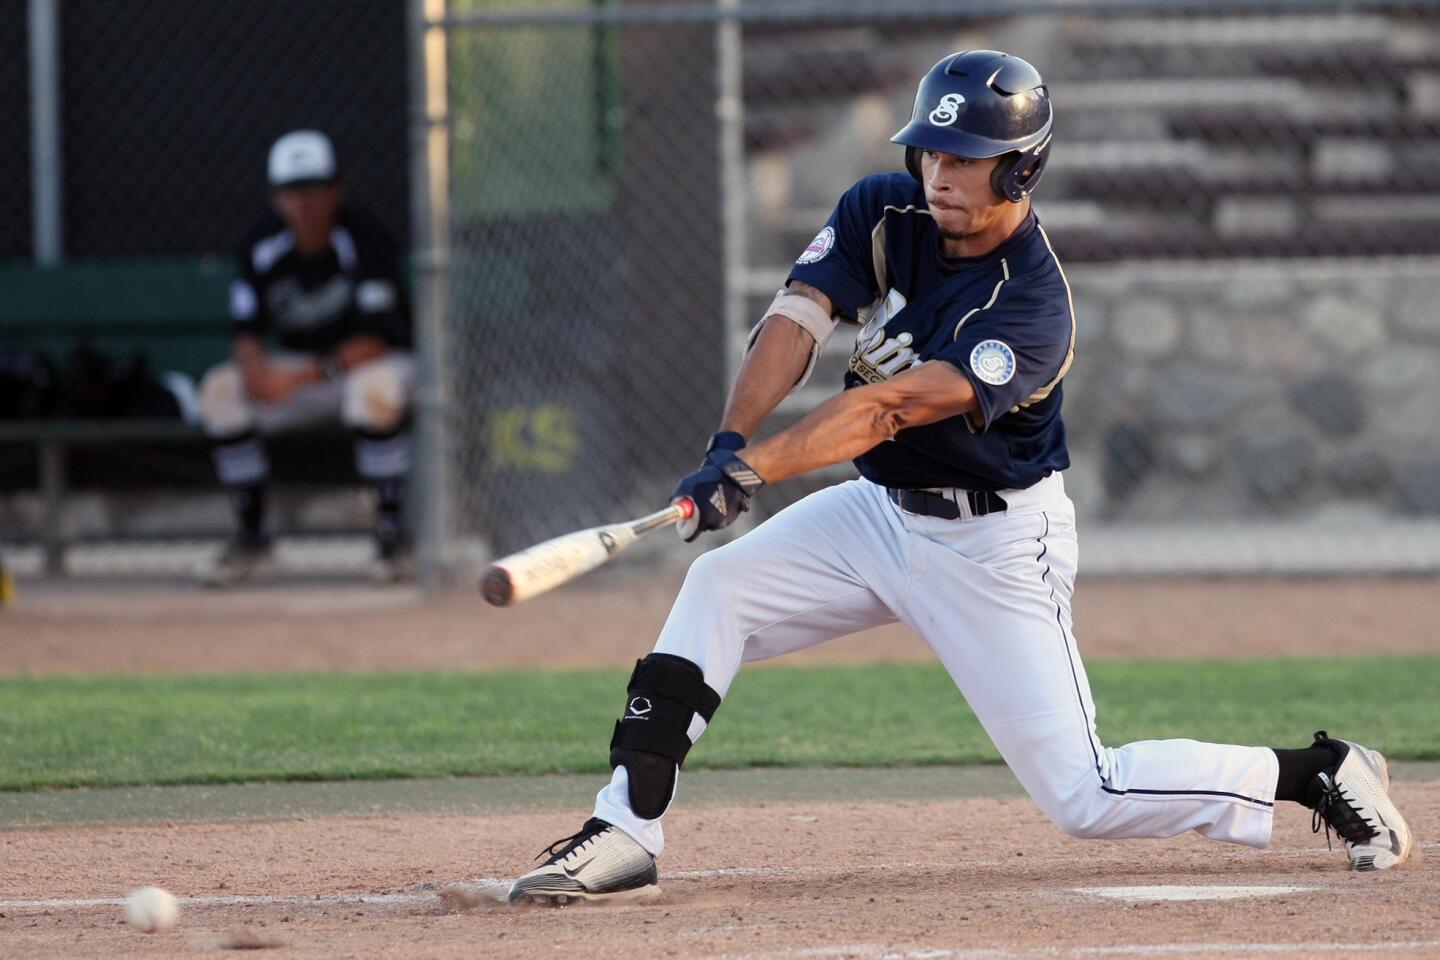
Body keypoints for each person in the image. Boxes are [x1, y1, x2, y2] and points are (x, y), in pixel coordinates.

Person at [506, 51, 1412, 905]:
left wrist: (752, 471)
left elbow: (885, 409)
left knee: (1085, 795)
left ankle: (1318, 772)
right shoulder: (882, 209)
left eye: (966, 157)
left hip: (994, 543)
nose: (939, 172)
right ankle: (625, 832)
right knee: (719, 586)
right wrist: (726, 442)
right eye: (931, 150)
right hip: (877, 515)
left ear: (1019, 171)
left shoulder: (1030, 305)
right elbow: (797, 319)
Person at [196, 130, 415, 586]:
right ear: (277, 197)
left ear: (336, 190)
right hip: (303, 369)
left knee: (373, 392)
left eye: (314, 188)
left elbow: (379, 335)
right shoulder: (261, 244)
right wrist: (256, 369)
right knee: (221, 391)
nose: (305, 204)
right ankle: (252, 540)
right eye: (293, 191)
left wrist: (300, 378)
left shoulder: (365, 237)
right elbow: (247, 331)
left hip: (365, 363)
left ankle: (392, 541)